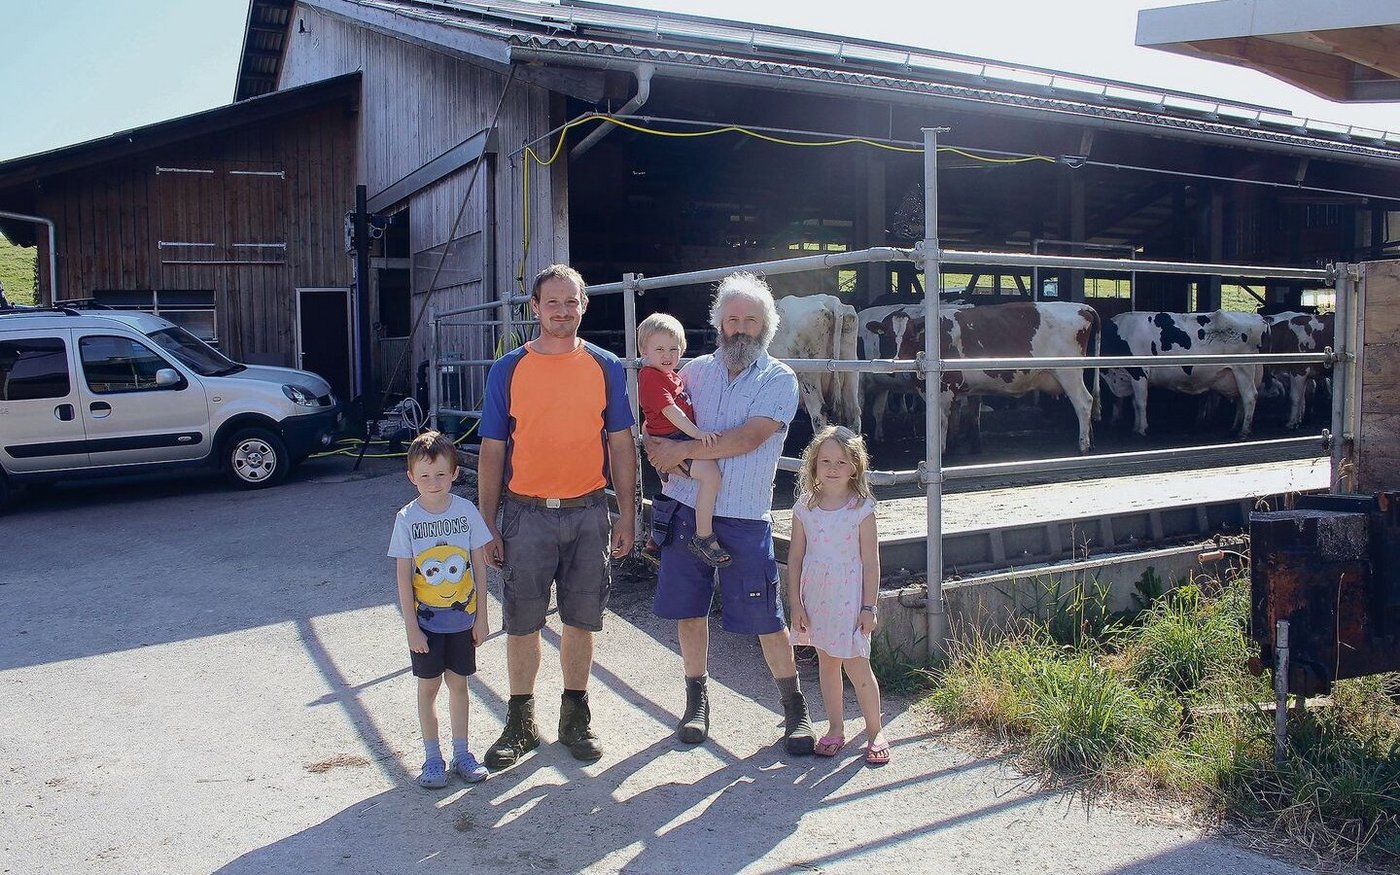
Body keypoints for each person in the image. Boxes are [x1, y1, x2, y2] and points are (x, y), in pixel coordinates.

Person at [645, 271, 815, 755]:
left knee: (766, 616)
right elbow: (656, 425)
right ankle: (696, 701)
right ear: (719, 323)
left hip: (744, 513)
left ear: (766, 326)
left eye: (750, 320)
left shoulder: (779, 378)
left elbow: (749, 438)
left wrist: (677, 451)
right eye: (732, 319)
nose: (740, 328)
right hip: (685, 504)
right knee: (689, 610)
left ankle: (795, 709)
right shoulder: (691, 372)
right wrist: (657, 448)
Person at [477, 264, 637, 770]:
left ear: (584, 305)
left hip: (588, 511)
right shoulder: (508, 369)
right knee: (522, 621)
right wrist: (487, 522)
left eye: (572, 302)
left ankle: (574, 717)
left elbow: (621, 444)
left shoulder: (605, 366)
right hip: (525, 514)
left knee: (581, 619)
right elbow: (492, 449)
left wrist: (628, 514)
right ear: (535, 308)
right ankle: (520, 722)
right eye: (552, 302)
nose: (562, 311)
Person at [387, 430, 494, 787]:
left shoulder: (466, 512)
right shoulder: (407, 519)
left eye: (440, 474)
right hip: (426, 625)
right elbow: (403, 576)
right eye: (424, 476)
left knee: (459, 685)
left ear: (455, 474)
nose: (433, 483)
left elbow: (478, 566)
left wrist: (481, 617)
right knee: (428, 688)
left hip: (462, 621)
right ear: (411, 477)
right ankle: (432, 759)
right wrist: (411, 628)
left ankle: (462, 753)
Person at [788, 426, 890, 765]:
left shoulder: (861, 509)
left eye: (841, 462)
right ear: (814, 465)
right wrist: (796, 603)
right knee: (827, 663)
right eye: (825, 461)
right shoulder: (805, 507)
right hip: (817, 596)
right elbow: (796, 558)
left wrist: (869, 606)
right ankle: (835, 728)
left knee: (858, 666)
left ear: (855, 467)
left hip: (849, 598)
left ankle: (875, 731)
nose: (832, 468)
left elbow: (871, 561)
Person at [636, 312, 729, 567]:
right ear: (644, 351)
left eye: (674, 349)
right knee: (711, 475)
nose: (667, 355)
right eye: (660, 349)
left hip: (673, 436)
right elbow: (670, 411)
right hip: (673, 438)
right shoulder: (650, 376)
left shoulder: (671, 375)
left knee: (672, 489)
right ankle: (703, 536)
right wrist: (697, 434)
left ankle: (656, 540)